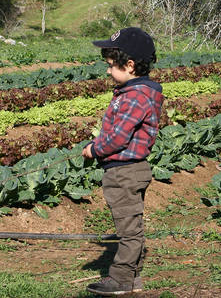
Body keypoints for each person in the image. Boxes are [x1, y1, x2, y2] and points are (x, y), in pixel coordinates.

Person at [82, 27, 164, 296]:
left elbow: (117, 139)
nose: (107, 71)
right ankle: (132, 276)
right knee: (132, 227)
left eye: (110, 66)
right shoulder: (135, 93)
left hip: (125, 173)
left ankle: (121, 279)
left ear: (129, 65)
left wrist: (94, 149)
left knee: (128, 231)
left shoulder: (134, 97)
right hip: (128, 171)